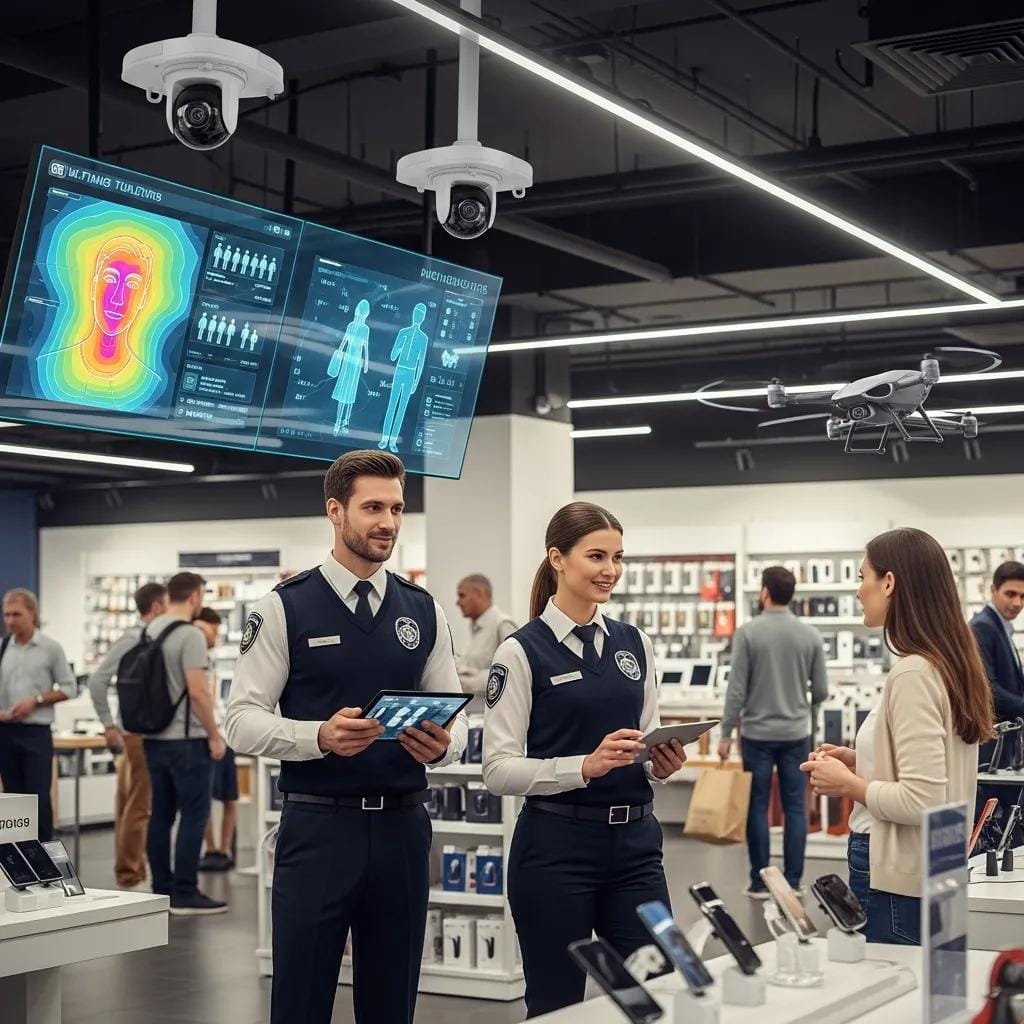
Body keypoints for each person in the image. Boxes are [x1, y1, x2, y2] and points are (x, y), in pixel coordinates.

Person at [225, 450, 468, 1024]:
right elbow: (240, 721)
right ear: (336, 511)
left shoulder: (424, 610)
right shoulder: (284, 607)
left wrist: (444, 746)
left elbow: (453, 720)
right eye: (373, 508)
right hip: (319, 828)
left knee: (392, 1001)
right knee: (301, 998)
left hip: (403, 827)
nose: (389, 522)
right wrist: (320, 736)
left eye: (397, 509)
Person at [483, 501, 687, 1019]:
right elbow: (498, 769)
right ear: (558, 558)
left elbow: (644, 741)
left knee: (660, 992)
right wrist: (583, 766)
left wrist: (657, 763)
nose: (610, 570)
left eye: (618, 558)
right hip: (555, 852)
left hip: (637, 848)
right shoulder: (520, 652)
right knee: (556, 1005)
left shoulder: (635, 643)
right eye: (597, 556)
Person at [802, 527, 993, 945]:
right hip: (938, 862)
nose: (858, 591)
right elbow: (935, 769)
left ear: (888, 582)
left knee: (895, 981)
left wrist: (848, 784)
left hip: (898, 872)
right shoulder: (947, 665)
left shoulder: (913, 674)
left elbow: (923, 800)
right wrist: (862, 761)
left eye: (862, 577)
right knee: (937, 982)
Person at [718, 566, 828, 899]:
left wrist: (726, 732)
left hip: (757, 734)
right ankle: (793, 881)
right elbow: (821, 691)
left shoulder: (748, 633)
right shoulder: (810, 635)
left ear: (765, 592)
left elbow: (737, 690)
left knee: (758, 805)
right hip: (796, 734)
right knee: (796, 806)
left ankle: (759, 882)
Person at [142, 572, 227, 916]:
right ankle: (185, 891)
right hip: (188, 741)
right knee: (194, 814)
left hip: (153, 738)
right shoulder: (190, 634)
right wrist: (214, 735)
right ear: (194, 597)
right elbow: (198, 693)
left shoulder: (149, 630)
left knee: (161, 814)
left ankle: (161, 887)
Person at [86, 581, 168, 888]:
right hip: (137, 734)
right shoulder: (135, 638)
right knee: (139, 803)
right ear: (157, 607)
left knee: (128, 801)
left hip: (131, 731)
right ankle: (131, 872)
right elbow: (98, 681)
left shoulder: (142, 637)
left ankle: (130, 869)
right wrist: (108, 725)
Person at [0, 588, 74, 841]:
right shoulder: (2, 648)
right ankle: (17, 858)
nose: (10, 620)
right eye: (7, 615)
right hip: (6, 733)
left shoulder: (51, 648)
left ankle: (42, 858)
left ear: (32, 613)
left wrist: (36, 701)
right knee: (13, 800)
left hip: (36, 733)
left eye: (16, 614)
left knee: (38, 798)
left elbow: (69, 688)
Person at [971, 561, 1024, 847]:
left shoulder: (1001, 628)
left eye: (1023, 596)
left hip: (1004, 747)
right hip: (992, 747)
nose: (1017, 603)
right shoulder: (983, 627)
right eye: (1010, 594)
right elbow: (988, 690)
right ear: (993, 590)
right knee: (996, 832)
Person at [192, 607, 237, 873]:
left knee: (228, 796)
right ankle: (211, 848)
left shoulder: (210, 658)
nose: (215, 635)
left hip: (222, 733)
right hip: (208, 735)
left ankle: (224, 849)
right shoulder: (194, 653)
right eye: (213, 629)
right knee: (205, 797)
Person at [454, 574, 517, 714]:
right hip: (472, 716)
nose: (458, 602)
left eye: (462, 595)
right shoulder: (475, 627)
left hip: (491, 717)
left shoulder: (502, 625)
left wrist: (469, 682)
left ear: (479, 594)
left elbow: (513, 673)